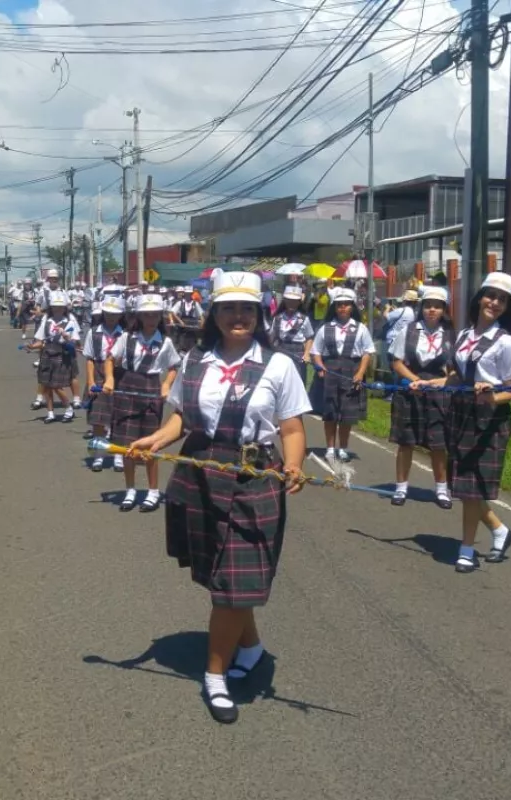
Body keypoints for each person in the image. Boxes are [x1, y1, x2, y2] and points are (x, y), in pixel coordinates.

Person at [128, 271, 309, 725]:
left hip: (254, 479)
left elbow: (291, 428)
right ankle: (249, 646)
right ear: (214, 314)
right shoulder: (195, 360)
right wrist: (158, 439)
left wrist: (293, 463)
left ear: (259, 314)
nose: (238, 316)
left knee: (234, 584)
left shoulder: (279, 364)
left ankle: (214, 674)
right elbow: (182, 420)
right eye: (228, 308)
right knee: (222, 578)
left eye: (246, 308)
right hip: (201, 472)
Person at [447, 272, 511, 574]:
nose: (494, 303)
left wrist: (492, 396)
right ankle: (500, 530)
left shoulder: (505, 342)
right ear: (480, 298)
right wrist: (428, 384)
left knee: (470, 490)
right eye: (491, 295)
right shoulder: (465, 335)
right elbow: (457, 376)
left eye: (502, 300)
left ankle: (466, 549)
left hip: (490, 420)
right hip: (462, 413)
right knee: (464, 485)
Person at [103, 293, 179, 512]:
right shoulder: (126, 338)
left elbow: (174, 366)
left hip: (151, 389)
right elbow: (110, 359)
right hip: (127, 386)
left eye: (155, 315)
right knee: (127, 445)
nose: (151, 319)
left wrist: (166, 385)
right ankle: (130, 490)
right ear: (139, 316)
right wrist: (109, 378)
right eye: (147, 314)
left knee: (150, 444)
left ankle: (153, 491)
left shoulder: (165, 342)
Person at [387, 285, 454, 509]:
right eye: (428, 305)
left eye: (437, 306)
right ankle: (401, 488)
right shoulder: (409, 330)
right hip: (410, 390)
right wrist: (414, 379)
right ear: (421, 307)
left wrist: (443, 381)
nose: (432, 310)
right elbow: (396, 362)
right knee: (406, 442)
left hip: (439, 392)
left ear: (444, 309)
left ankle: (442, 490)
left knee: (438, 444)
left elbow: (455, 370)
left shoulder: (452, 335)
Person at [310, 287, 374, 463]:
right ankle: (330, 448)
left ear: (352, 307)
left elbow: (367, 352)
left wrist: (360, 373)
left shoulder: (361, 328)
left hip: (352, 370)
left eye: (346, 304)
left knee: (347, 414)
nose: (343, 308)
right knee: (330, 412)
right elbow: (316, 351)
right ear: (334, 307)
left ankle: (343, 447)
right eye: (339, 305)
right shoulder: (325, 328)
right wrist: (320, 366)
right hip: (330, 370)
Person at [84, 297, 126, 472]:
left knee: (119, 417)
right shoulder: (93, 332)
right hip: (100, 374)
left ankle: (118, 455)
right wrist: (91, 380)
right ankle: (99, 455)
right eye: (108, 313)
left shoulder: (125, 334)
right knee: (98, 420)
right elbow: (90, 359)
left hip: (120, 375)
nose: (111, 317)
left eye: (115, 314)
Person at [27, 291, 81, 424]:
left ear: (64, 308)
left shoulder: (69, 321)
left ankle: (68, 408)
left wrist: (67, 337)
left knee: (56, 386)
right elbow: (41, 340)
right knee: (46, 385)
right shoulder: (46, 320)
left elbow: (74, 342)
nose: (57, 309)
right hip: (47, 354)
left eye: (60, 306)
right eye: (55, 306)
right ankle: (50, 413)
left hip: (61, 354)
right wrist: (32, 347)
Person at [267, 285, 314, 386]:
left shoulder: (304, 319)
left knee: (298, 382)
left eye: (295, 300)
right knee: (281, 381)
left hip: (298, 352)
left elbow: (309, 338)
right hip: (281, 350)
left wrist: (306, 354)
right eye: (289, 300)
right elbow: (272, 337)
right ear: (284, 300)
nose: (291, 303)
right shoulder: (277, 318)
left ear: (299, 302)